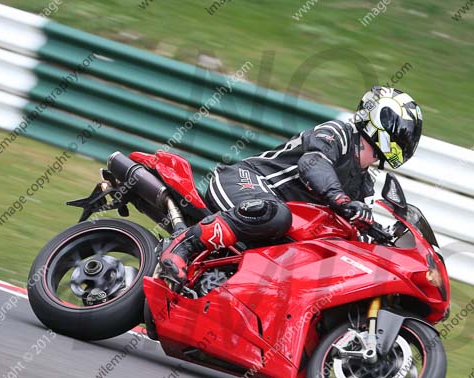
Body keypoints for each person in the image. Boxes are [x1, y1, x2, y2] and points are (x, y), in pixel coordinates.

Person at [159, 86, 423, 285]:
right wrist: (341, 200)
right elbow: (313, 164)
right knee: (275, 214)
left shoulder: (365, 183)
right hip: (245, 181)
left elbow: (356, 233)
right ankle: (183, 246)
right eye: (406, 132)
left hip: (275, 220)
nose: (408, 139)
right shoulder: (339, 133)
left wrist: (379, 238)